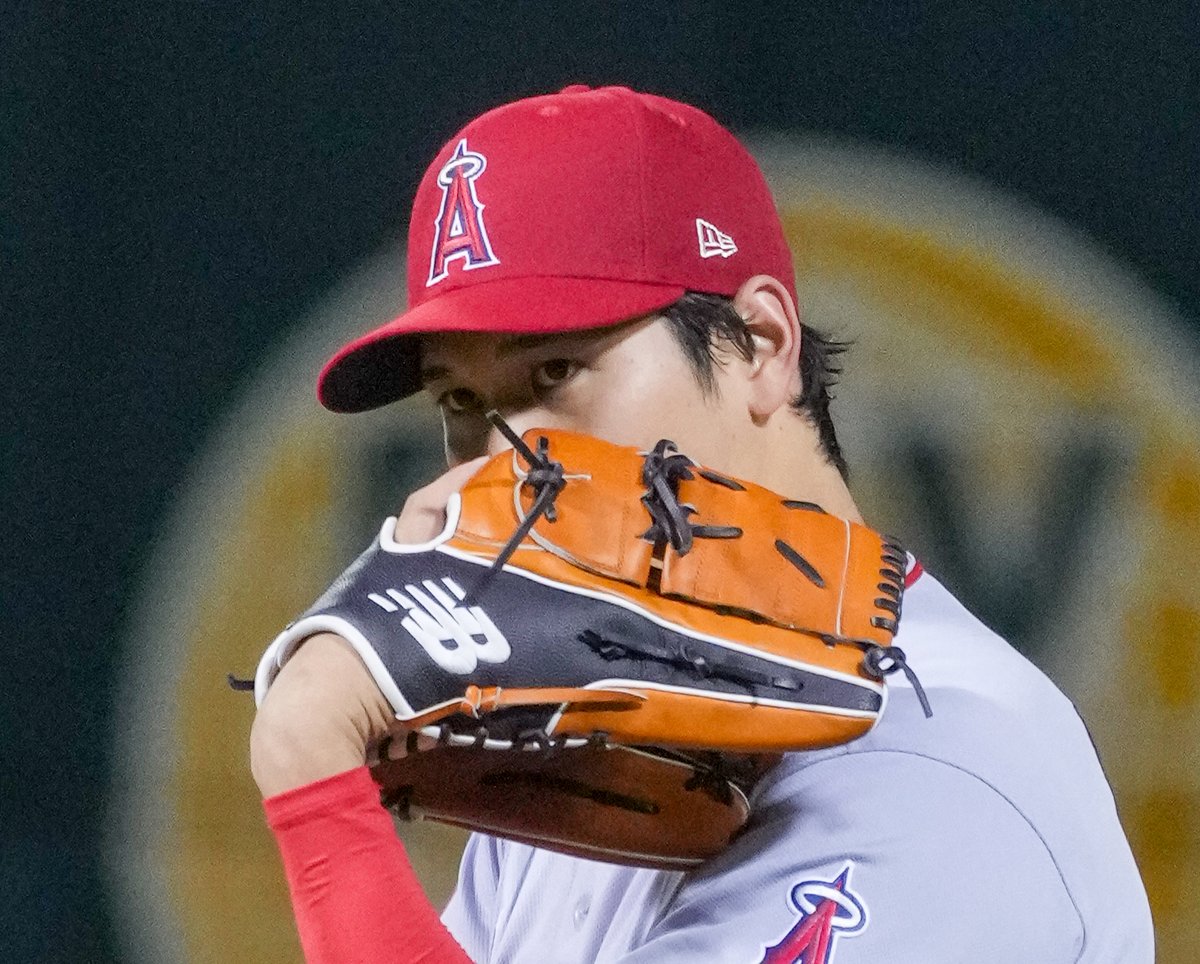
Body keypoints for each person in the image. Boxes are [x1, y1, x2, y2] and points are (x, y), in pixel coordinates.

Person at [248, 84, 1153, 963]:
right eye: (462, 402)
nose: (501, 462)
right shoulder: (589, 737)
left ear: (760, 346)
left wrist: (315, 778)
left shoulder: (943, 766)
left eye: (556, 373)